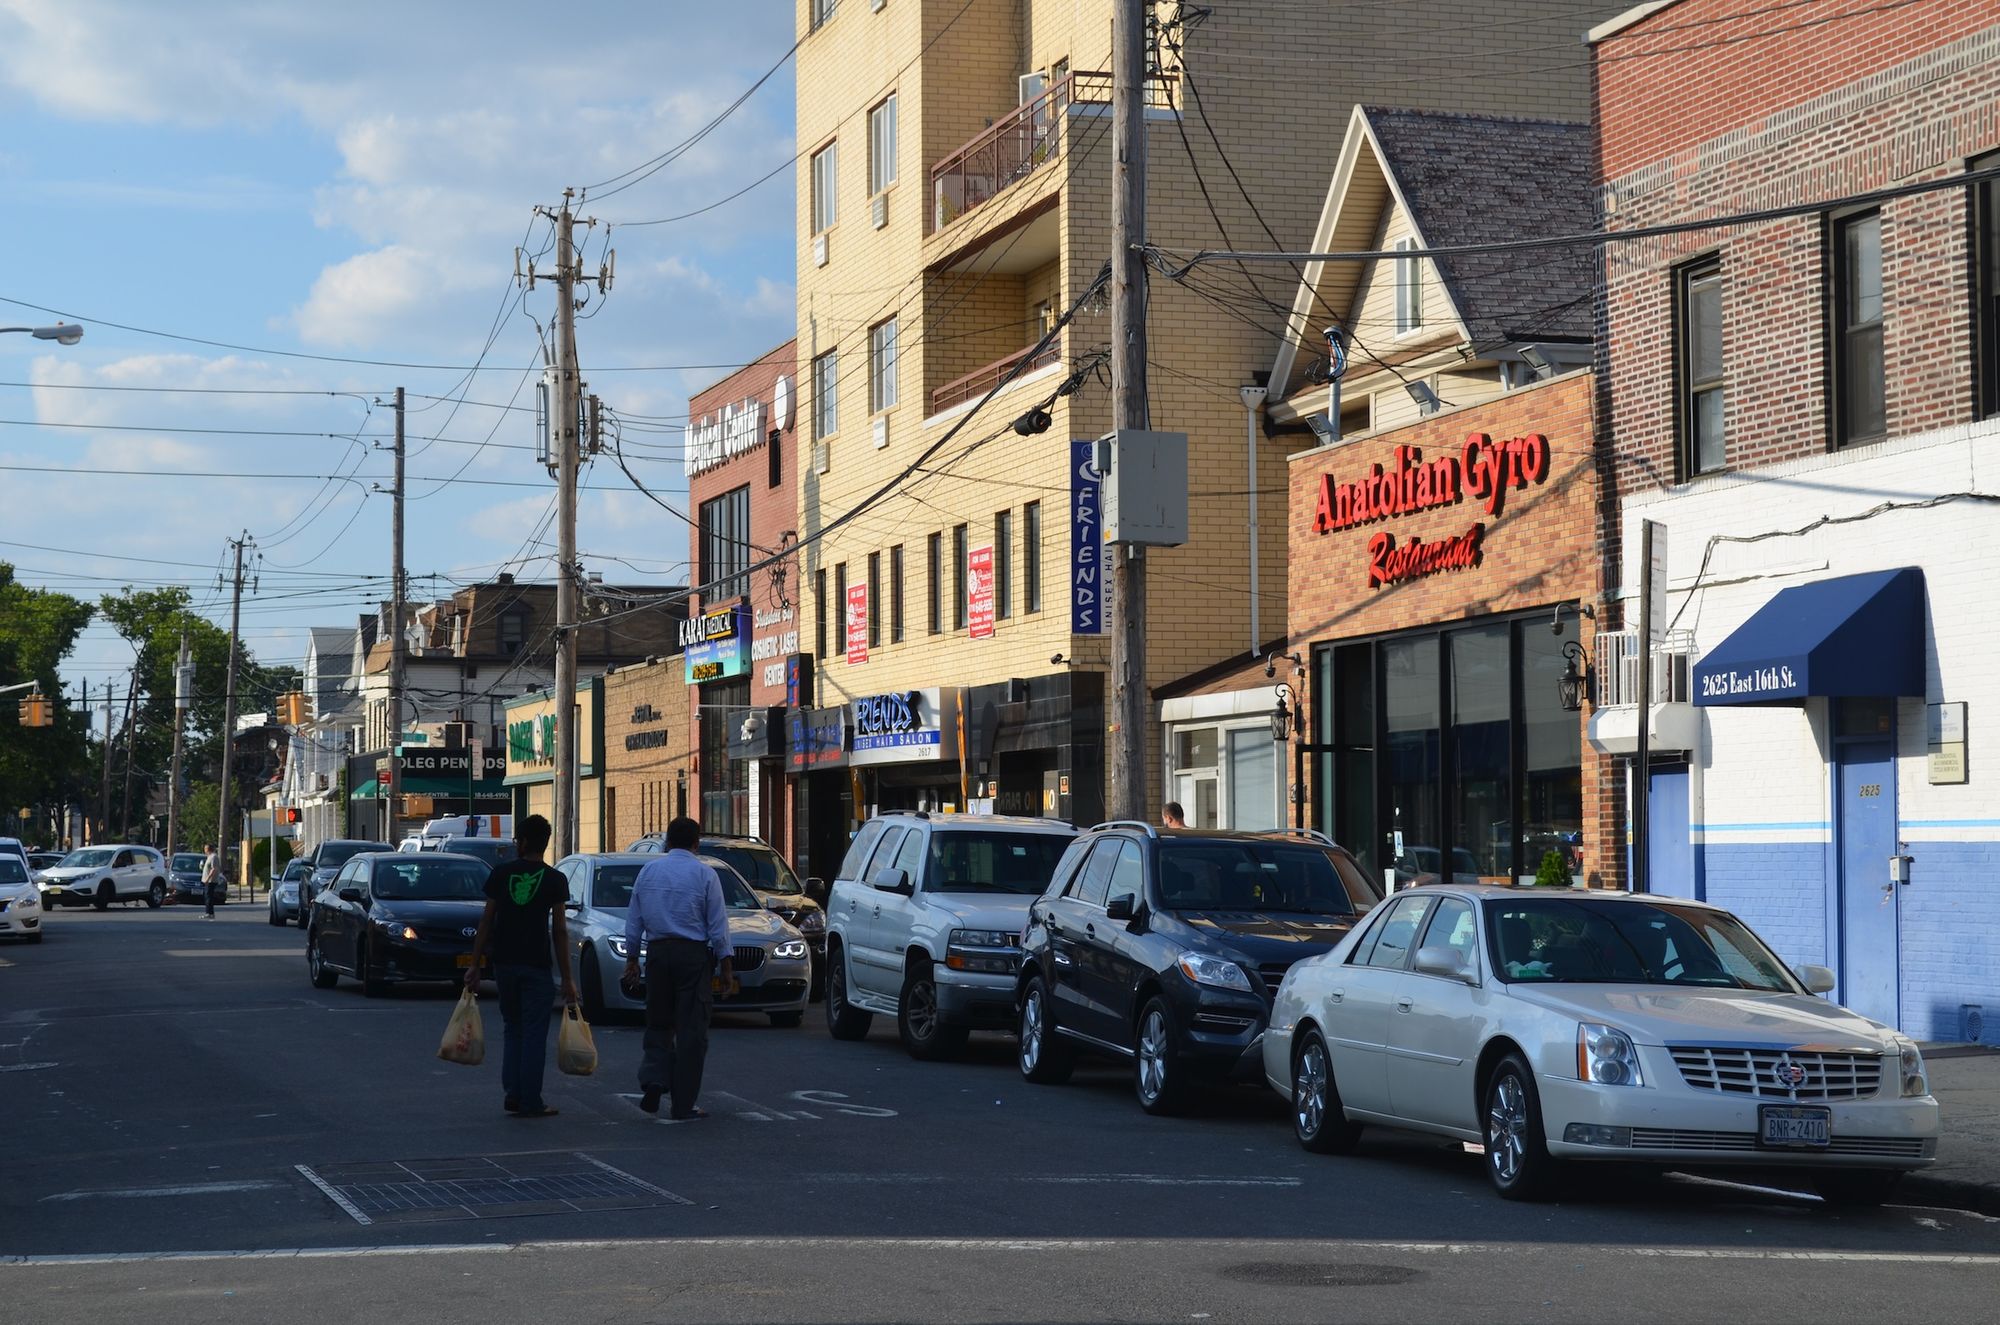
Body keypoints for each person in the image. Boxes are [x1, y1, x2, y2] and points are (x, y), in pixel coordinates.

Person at [463, 815, 578, 1118]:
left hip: (505, 964)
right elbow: (560, 932)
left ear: (524, 841)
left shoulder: (501, 874)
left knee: (513, 1028)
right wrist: (567, 978)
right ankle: (530, 1100)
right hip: (537, 965)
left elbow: (486, 921)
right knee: (534, 1033)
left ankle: (513, 1094)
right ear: (545, 842)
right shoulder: (554, 879)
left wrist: (475, 965)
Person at [624, 816, 736, 1120]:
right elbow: (717, 925)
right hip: (692, 956)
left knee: (659, 1022)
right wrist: (726, 967)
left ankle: (655, 1078)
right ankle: (683, 1104)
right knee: (692, 1031)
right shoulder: (705, 874)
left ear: (667, 842)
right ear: (696, 843)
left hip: (658, 955)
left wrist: (632, 958)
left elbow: (634, 919)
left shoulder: (648, 871)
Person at [201, 844, 221, 919]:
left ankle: (209, 913)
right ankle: (210, 913)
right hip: (207, 881)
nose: (204, 850)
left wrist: (208, 878)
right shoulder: (209, 857)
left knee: (209, 897)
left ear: (208, 849)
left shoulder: (214, 857)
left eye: (205, 848)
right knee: (207, 896)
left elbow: (214, 869)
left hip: (211, 881)